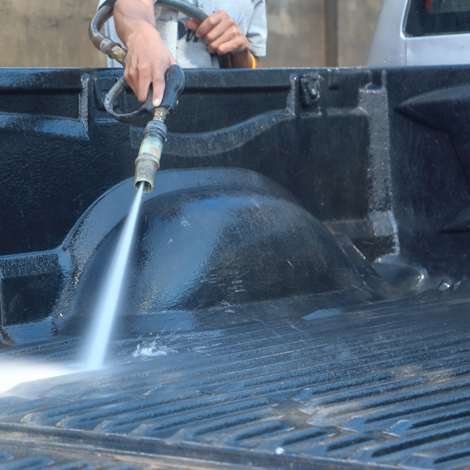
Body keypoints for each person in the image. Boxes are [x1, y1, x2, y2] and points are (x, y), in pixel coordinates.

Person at [99, 0, 267, 107]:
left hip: (222, 119)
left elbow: (256, 74)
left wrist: (241, 53)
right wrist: (141, 33)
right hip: (139, 114)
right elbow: (130, 5)